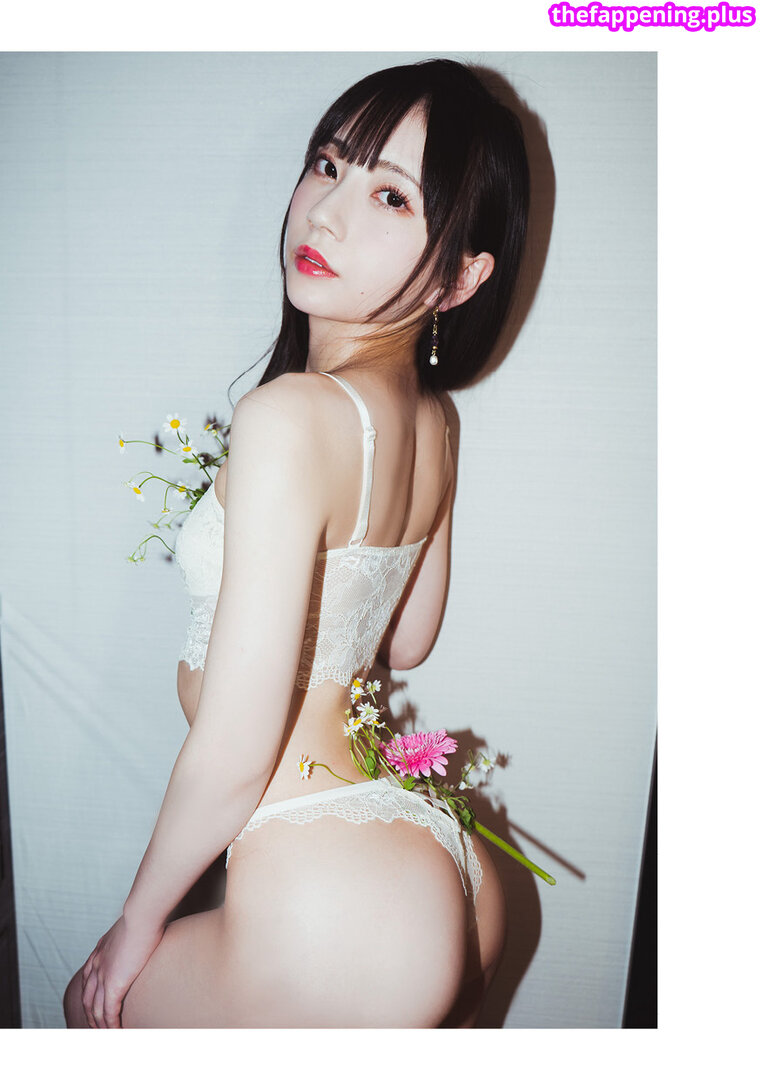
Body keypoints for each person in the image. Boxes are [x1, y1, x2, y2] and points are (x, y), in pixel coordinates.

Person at [63, 57, 530, 1029]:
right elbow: (405, 641)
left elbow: (238, 744)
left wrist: (133, 927)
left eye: (390, 196)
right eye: (327, 165)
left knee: (90, 1009)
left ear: (460, 277)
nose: (326, 214)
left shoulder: (289, 417)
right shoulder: (434, 422)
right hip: (438, 857)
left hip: (330, 884)